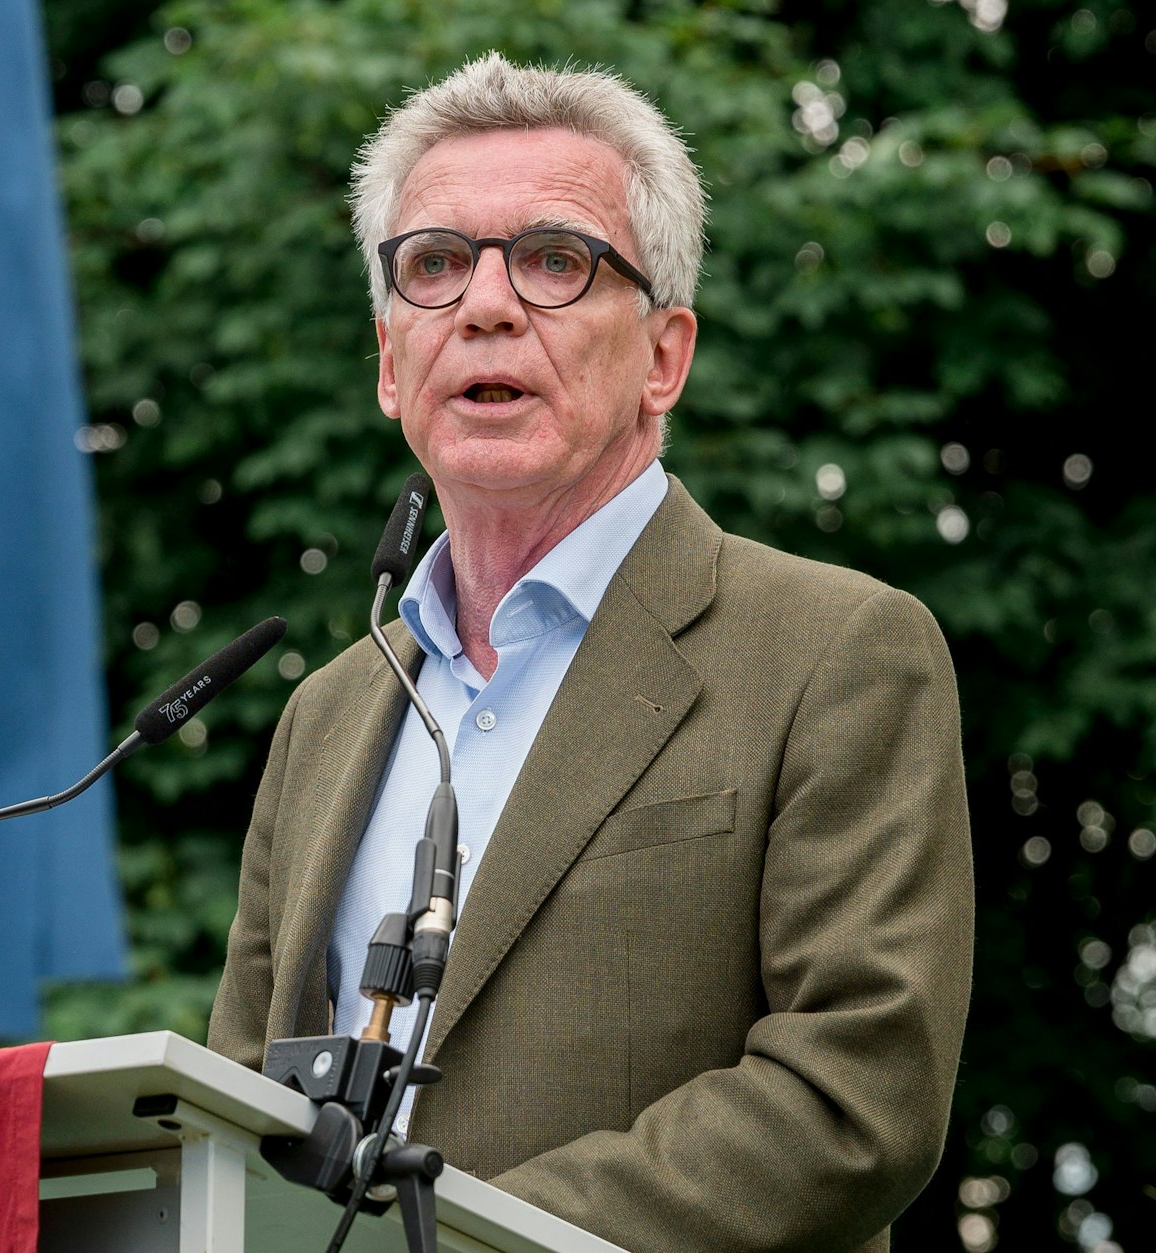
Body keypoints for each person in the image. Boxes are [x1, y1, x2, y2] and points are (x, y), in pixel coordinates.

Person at [206, 53, 973, 1253]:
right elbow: (234, 1105)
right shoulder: (328, 709)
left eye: (554, 260)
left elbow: (850, 1096)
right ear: (390, 360)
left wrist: (450, 1241)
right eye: (434, 264)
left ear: (663, 355)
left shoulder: (836, 651)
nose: (485, 305)